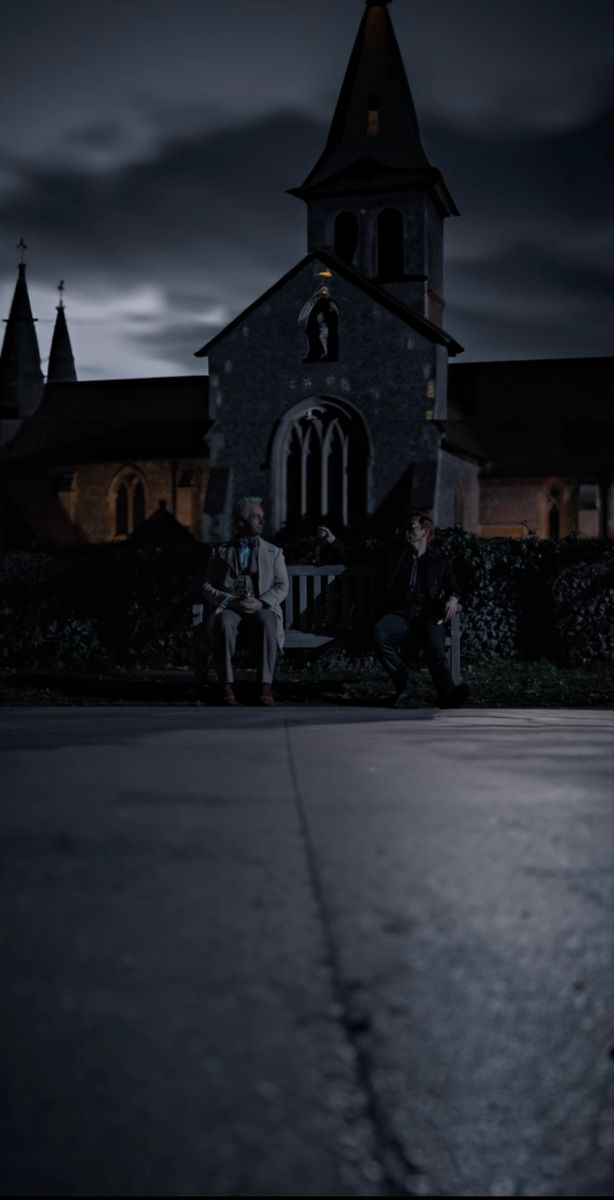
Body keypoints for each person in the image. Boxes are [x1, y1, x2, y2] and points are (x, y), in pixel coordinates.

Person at [317, 511, 468, 708]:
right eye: (405, 526)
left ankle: (447, 693)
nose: (405, 530)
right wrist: (332, 539)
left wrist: (453, 598)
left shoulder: (440, 561)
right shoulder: (393, 554)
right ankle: (405, 688)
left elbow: (455, 585)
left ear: (425, 532)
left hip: (428, 615)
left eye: (411, 526)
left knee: (434, 644)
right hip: (401, 614)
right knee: (379, 634)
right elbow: (355, 556)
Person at [203, 497, 289, 706]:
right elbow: (206, 586)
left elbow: (281, 585)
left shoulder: (273, 552)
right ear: (241, 523)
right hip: (231, 606)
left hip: (260, 605)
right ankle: (226, 686)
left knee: (268, 622)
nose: (262, 521)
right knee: (223, 624)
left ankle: (265, 686)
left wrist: (262, 602)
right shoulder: (220, 551)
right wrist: (230, 601)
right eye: (256, 517)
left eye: (262, 517)